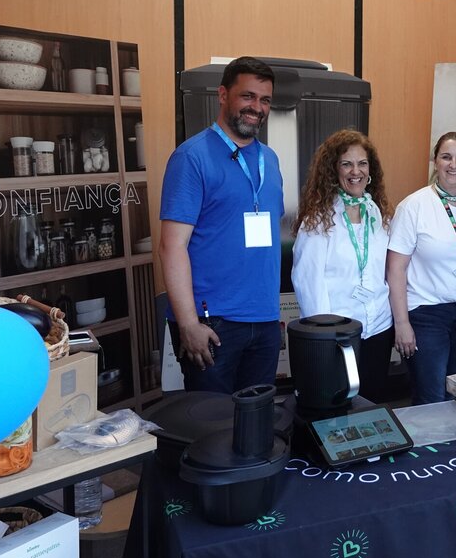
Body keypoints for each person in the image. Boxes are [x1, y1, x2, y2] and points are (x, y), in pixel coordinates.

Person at [160, 56, 285, 394]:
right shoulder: (191, 157)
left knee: (257, 419)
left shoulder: (270, 159)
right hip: (211, 323)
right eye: (247, 96)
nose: (256, 107)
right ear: (223, 95)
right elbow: (171, 246)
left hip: (264, 320)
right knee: (211, 421)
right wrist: (188, 323)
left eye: (265, 100)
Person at [387, 132, 456, 404]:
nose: (453, 164)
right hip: (427, 315)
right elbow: (395, 269)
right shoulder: (414, 206)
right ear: (435, 161)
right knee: (431, 398)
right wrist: (401, 324)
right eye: (446, 157)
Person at [291, 129, 395, 401]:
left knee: (373, 405)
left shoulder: (378, 214)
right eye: (346, 164)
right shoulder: (318, 220)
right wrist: (323, 336)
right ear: (333, 170)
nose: (355, 171)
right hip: (338, 335)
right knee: (338, 408)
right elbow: (307, 283)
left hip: (378, 328)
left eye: (362, 163)